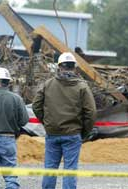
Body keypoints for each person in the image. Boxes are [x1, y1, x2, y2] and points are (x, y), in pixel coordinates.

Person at [32, 52, 96, 189]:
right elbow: (91, 112)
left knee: (50, 169)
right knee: (70, 170)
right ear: (74, 68)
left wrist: (47, 122)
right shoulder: (82, 87)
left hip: (52, 133)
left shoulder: (47, 85)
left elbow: (36, 106)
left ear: (59, 67)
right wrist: (83, 132)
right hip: (73, 134)